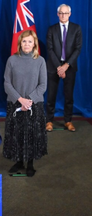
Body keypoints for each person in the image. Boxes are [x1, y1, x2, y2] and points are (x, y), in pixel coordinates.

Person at [3, 30, 47, 177]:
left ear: (34, 43)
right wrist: (20, 100)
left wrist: (29, 101)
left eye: (29, 41)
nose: (26, 44)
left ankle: (30, 164)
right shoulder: (12, 60)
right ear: (19, 43)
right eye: (24, 41)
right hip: (16, 104)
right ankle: (19, 162)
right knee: (17, 133)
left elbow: (43, 85)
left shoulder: (40, 61)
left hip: (34, 105)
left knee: (31, 135)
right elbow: (7, 84)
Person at [46, 4, 82, 132]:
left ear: (70, 14)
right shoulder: (51, 29)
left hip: (70, 67)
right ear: (57, 14)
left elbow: (78, 49)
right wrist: (59, 67)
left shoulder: (76, 28)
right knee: (51, 95)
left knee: (69, 96)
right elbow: (49, 49)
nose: (63, 15)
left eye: (65, 13)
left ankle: (68, 121)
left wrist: (66, 66)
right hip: (53, 66)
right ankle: (49, 120)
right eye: (61, 13)